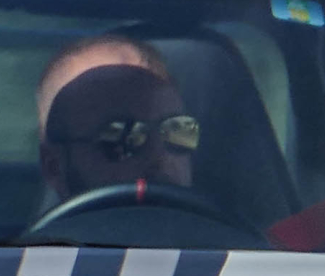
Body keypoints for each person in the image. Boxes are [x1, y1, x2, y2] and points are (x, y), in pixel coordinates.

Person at [32, 34, 200, 208]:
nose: (159, 156)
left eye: (177, 130)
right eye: (123, 136)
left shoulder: (224, 234)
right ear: (54, 167)